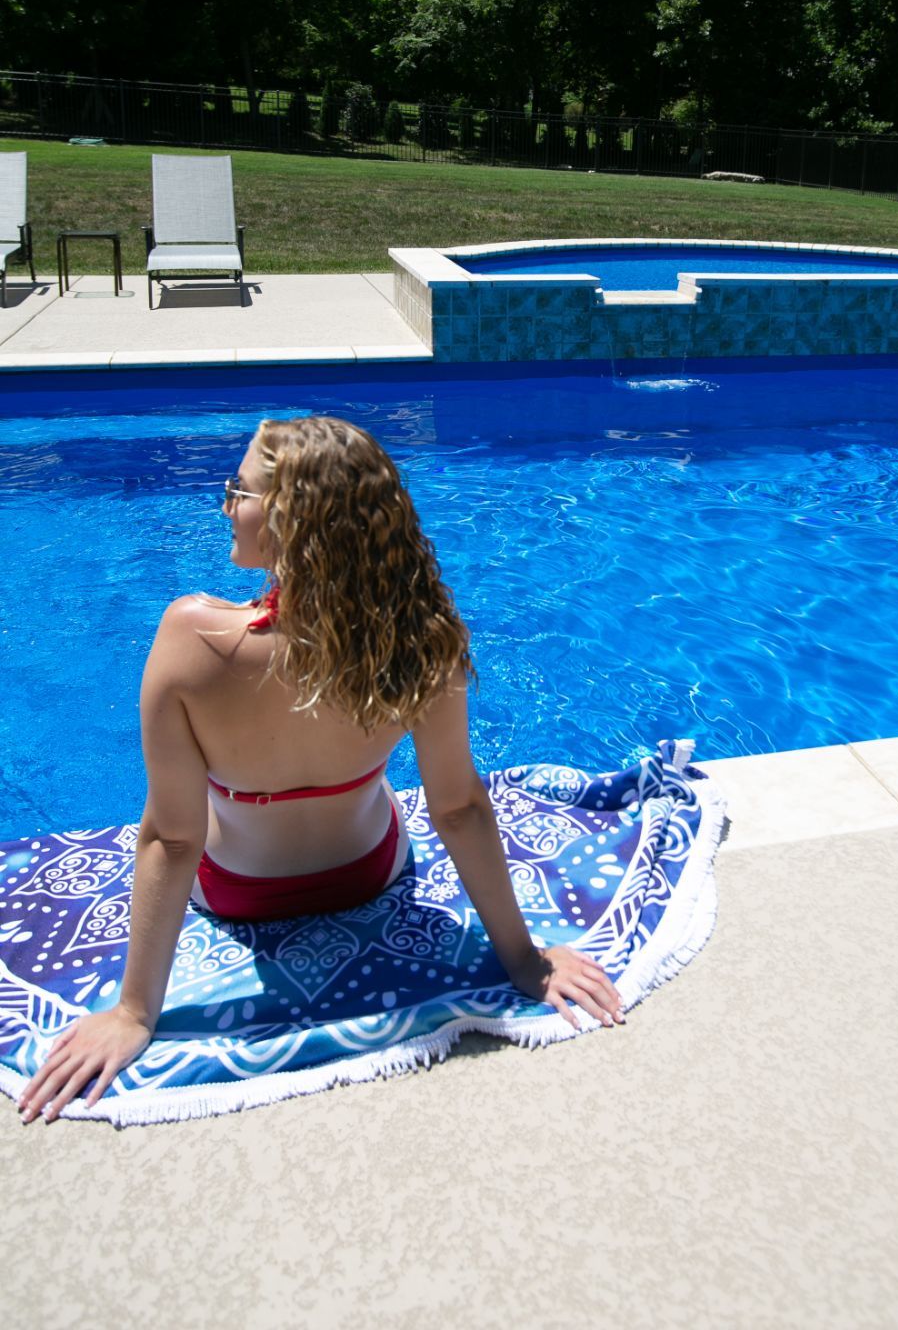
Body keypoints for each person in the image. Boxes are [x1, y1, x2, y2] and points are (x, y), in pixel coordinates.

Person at [18, 415, 623, 1123]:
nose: (224, 505)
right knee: (380, 791)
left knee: (179, 813)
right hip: (370, 872)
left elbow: (172, 840)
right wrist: (524, 959)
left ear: (288, 520)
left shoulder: (194, 638)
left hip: (235, 893)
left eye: (236, 490)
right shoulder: (423, 639)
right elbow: (457, 809)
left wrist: (133, 1011)